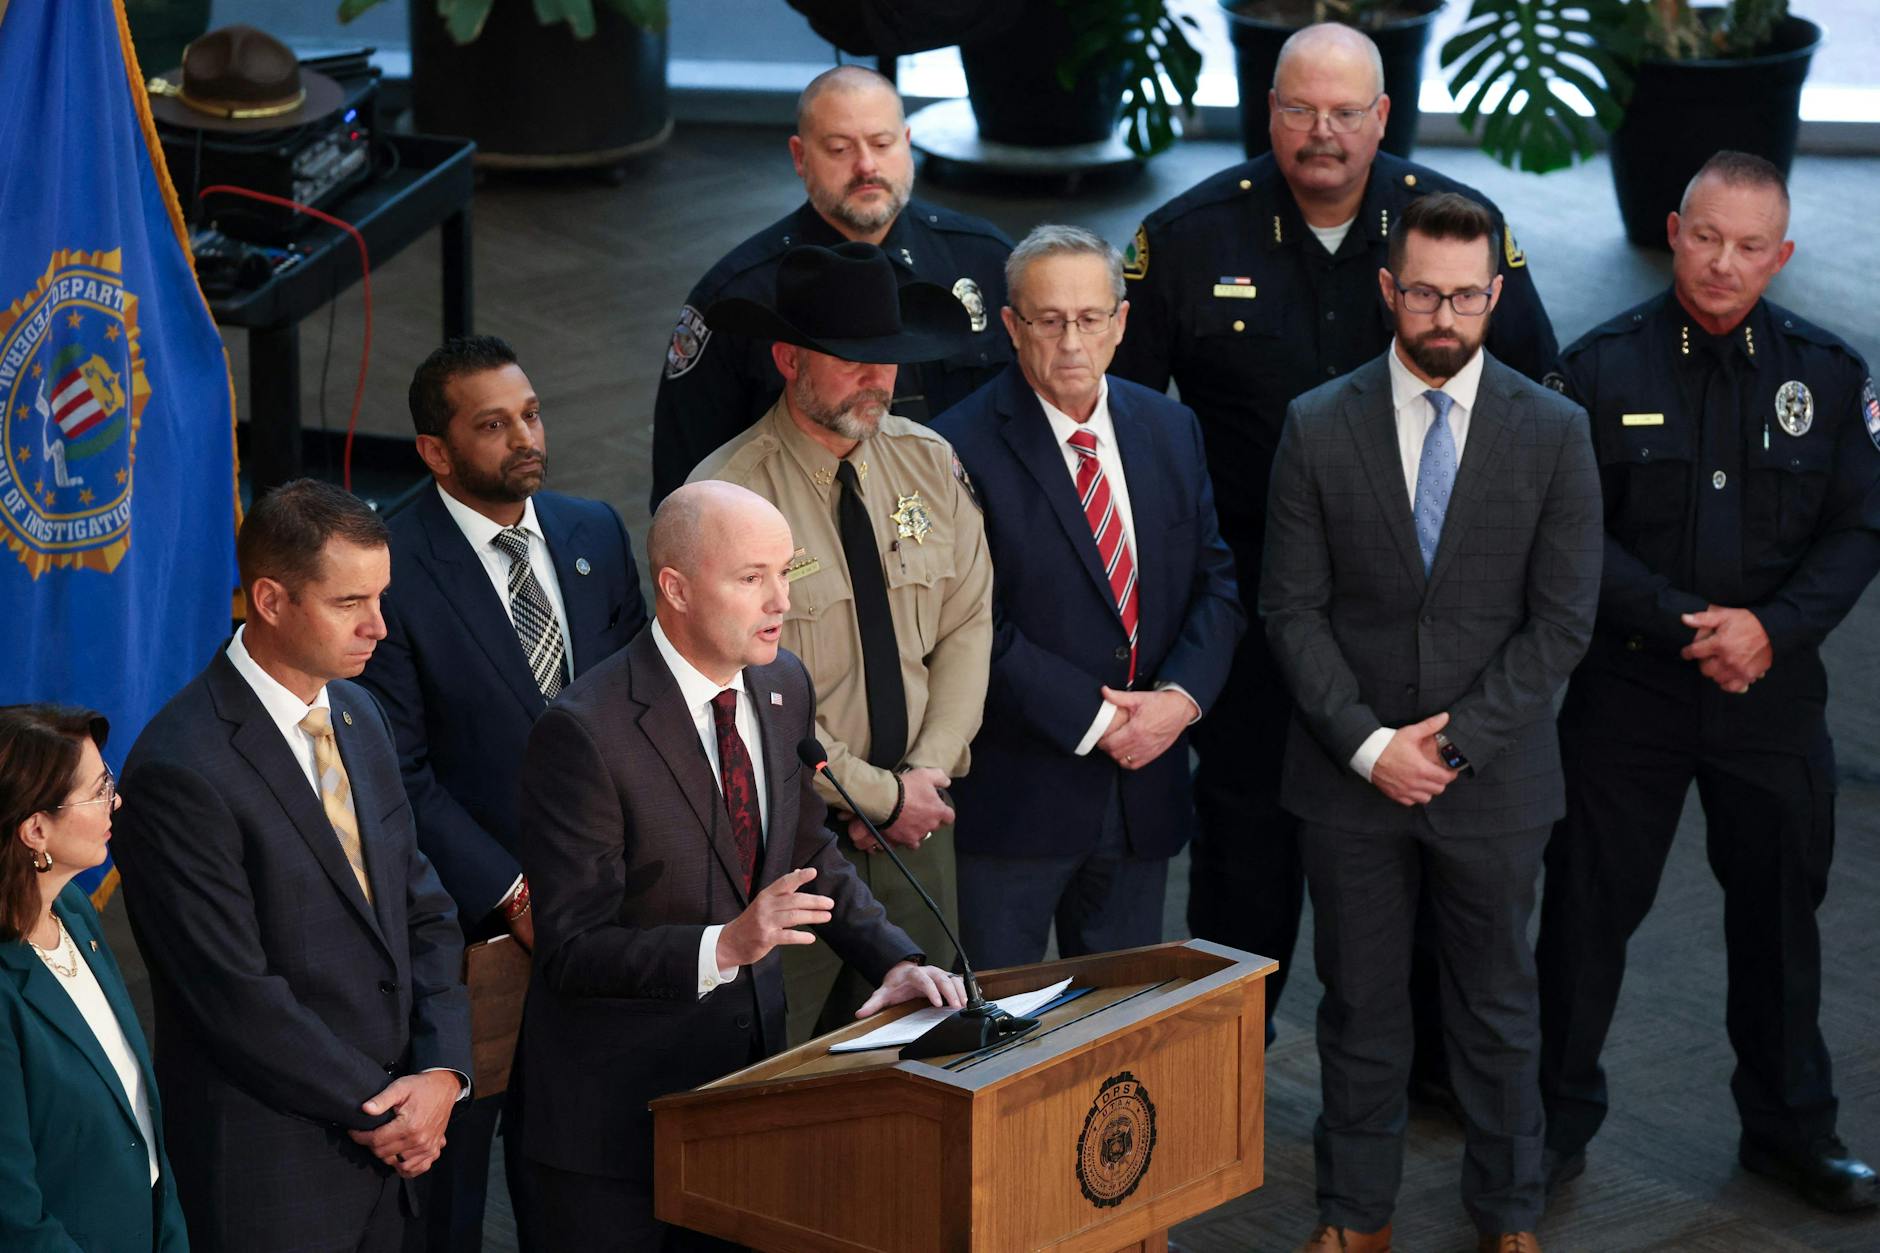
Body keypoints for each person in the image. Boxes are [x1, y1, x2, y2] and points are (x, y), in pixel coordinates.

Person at [1109, 22, 1559, 1057]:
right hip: (1250, 619)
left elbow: (1533, 405)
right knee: (1242, 857)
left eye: (1344, 112)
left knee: (1423, 847)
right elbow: (1124, 429)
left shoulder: (1451, 231)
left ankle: (1431, 1072)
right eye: (1298, 108)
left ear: (1381, 118)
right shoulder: (1185, 240)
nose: (1320, 133)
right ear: (1265, 109)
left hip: (1419, 618)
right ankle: (1225, 1074)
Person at [1535, 151, 1880, 1213]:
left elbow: (1859, 522)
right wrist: (1695, 625)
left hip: (1768, 695)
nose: (1722, 262)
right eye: (1704, 236)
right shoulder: (1596, 366)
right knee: (1584, 918)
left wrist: (1768, 632)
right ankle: (1548, 1126)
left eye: (1748, 247)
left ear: (1778, 254)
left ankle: (1789, 1131)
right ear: (1673, 229)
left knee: (1779, 918)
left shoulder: (1828, 372)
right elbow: (1567, 534)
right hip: (1627, 695)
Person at [1260, 192, 1601, 1253]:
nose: (1441, 314)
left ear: (1494, 295)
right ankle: (1351, 1213)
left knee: (1497, 1010)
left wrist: (1447, 745)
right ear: (1386, 290)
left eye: (1463, 294)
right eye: (1421, 291)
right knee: (1358, 1008)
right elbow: (1289, 608)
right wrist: (1371, 747)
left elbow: (1560, 622)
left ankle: (1506, 1214)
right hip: (1344, 778)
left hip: (1491, 783)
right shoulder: (1316, 422)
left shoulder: (1554, 432)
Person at [515, 479, 965, 1250]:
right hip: (612, 1130)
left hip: (739, 1099)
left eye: (786, 572)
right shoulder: (585, 733)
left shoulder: (781, 683)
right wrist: (722, 945)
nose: (781, 601)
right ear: (677, 588)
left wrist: (892, 959)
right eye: (751, 577)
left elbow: (802, 848)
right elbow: (571, 946)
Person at [113, 480, 472, 1253]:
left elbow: (425, 911)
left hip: (402, 1148)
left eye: (381, 595)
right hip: (275, 1176)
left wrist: (443, 1072)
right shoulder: (181, 768)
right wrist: (387, 1111)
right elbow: (234, 994)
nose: (379, 625)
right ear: (271, 601)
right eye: (350, 602)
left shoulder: (359, 713)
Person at [357, 335, 649, 1251]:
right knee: (455, 1196)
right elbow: (401, 772)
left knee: (581, 1177)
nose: (524, 436)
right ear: (436, 452)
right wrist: (513, 891)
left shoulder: (592, 529)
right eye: (492, 424)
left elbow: (643, 700)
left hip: (612, 911)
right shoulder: (391, 566)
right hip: (473, 930)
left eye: (529, 412)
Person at [690, 242, 993, 1044]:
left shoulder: (930, 463)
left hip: (920, 833)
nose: (878, 378)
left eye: (887, 358)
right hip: (785, 847)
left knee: (930, 1054)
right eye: (853, 358)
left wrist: (924, 777)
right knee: (782, 1066)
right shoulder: (726, 497)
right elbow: (735, 691)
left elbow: (967, 623)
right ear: (787, 358)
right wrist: (876, 797)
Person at [930, 225, 1242, 968]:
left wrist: (1179, 701)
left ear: (1121, 323)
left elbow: (1217, 583)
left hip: (1144, 796)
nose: (1072, 340)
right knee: (998, 1041)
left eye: (1091, 318)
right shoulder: (952, 447)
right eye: (1049, 319)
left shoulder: (1170, 426)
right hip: (1015, 809)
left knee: (1116, 1047)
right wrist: (1102, 719)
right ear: (1012, 327)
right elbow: (971, 625)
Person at [649, 63, 1014, 509]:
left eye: (882, 144)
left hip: (973, 517)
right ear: (800, 157)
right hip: (809, 537)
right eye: (840, 148)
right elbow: (685, 483)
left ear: (907, 143)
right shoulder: (741, 295)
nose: (866, 166)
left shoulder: (984, 259)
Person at [0, 705, 189, 1252]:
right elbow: (15, 1216)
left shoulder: (76, 912)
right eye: (99, 789)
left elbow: (141, 1130)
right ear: (36, 829)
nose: (118, 800)